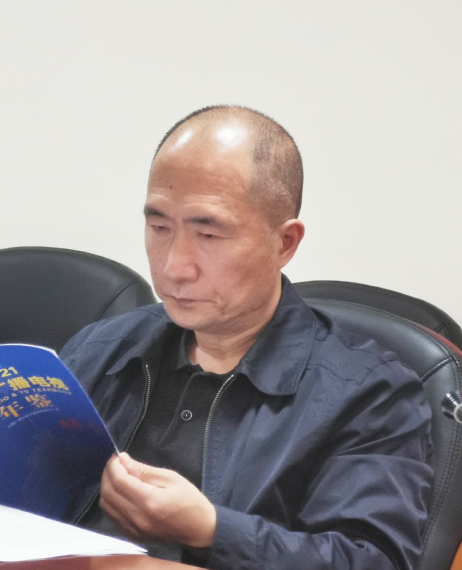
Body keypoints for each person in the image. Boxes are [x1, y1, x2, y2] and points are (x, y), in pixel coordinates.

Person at [58, 106, 433, 569]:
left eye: (209, 235)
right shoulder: (101, 348)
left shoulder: (370, 395)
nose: (174, 266)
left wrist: (212, 530)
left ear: (284, 243)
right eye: (159, 228)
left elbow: (372, 561)